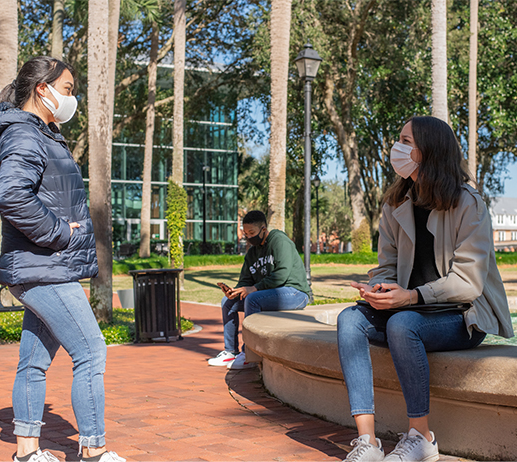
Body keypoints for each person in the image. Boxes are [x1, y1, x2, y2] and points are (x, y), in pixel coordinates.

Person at [337, 116, 514, 462]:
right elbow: (387, 266)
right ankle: (368, 443)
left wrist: (412, 297)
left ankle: (421, 437)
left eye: (406, 141)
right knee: (349, 321)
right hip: (409, 308)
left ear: (428, 151)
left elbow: (468, 281)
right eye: (398, 140)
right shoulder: (395, 204)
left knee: (403, 325)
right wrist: (377, 288)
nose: (396, 148)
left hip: (461, 315)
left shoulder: (468, 204)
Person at [0, 57, 124, 462]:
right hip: (42, 268)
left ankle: (27, 452)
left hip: (41, 266)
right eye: (66, 88)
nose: (71, 97)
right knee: (92, 351)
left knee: (34, 361)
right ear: (42, 89)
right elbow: (12, 197)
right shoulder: (25, 135)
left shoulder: (39, 134)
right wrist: (61, 233)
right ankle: (94, 451)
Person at [208, 210, 311, 369]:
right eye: (246, 233)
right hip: (269, 293)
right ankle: (230, 352)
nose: (248, 237)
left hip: (295, 292)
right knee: (227, 302)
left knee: (253, 298)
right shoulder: (252, 253)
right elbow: (245, 281)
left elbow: (281, 275)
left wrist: (254, 288)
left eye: (252, 233)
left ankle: (249, 354)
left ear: (263, 229)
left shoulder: (279, 241)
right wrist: (234, 292)